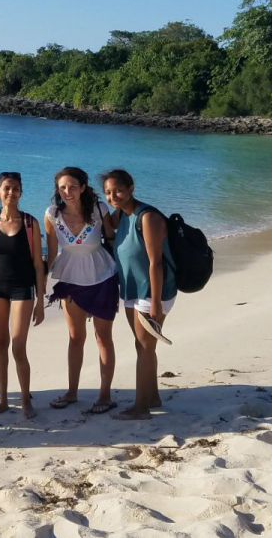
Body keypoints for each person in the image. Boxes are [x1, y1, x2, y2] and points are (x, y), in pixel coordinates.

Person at [101, 169, 177, 421]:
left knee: (144, 348)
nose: (113, 196)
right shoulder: (122, 215)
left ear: (132, 187)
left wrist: (155, 302)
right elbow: (106, 223)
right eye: (108, 193)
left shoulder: (148, 218)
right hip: (132, 289)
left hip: (152, 291)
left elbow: (155, 263)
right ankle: (152, 397)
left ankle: (140, 408)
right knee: (142, 346)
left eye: (118, 190)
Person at [44, 167, 121, 414]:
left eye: (73, 186)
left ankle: (105, 395)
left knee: (102, 338)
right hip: (70, 279)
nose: (68, 192)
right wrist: (38, 282)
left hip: (102, 277)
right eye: (63, 187)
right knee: (76, 338)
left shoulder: (99, 209)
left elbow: (111, 240)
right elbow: (52, 251)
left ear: (83, 187)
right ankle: (72, 392)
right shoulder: (52, 214)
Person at [0, 172, 46, 419]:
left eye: (15, 189)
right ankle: (3, 400)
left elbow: (38, 264)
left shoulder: (30, 223)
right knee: (0, 344)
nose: (10, 193)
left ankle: (26, 400)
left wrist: (41, 302)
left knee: (18, 346)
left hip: (23, 290)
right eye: (6, 188)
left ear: (21, 192)